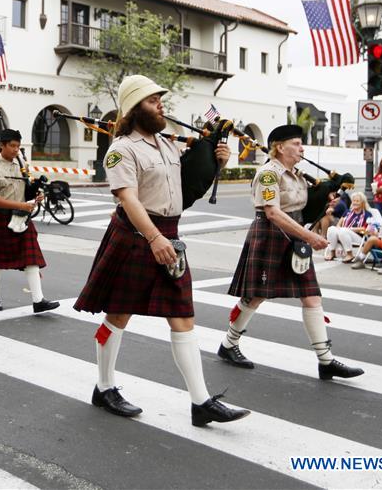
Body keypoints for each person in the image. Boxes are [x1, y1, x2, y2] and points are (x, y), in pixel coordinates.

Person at [74, 75, 250, 426]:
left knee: (183, 316)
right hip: (137, 236)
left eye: (160, 100)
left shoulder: (167, 144)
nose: (161, 105)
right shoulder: (121, 149)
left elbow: (185, 186)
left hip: (170, 234)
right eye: (154, 101)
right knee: (118, 315)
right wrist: (154, 238)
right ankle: (104, 387)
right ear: (136, 108)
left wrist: (219, 161)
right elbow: (127, 198)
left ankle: (201, 402)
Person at [218, 124, 364, 380]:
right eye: (296, 143)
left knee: (311, 296)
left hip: (294, 236)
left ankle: (325, 360)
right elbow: (273, 213)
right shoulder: (268, 174)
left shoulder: (297, 175)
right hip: (271, 234)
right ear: (279, 147)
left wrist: (328, 194)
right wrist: (310, 236)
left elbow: (303, 209)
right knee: (255, 296)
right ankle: (229, 345)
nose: (301, 148)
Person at [0, 128, 59, 314]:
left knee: (32, 259)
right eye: (12, 146)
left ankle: (38, 300)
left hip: (22, 219)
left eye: (18, 146)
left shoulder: (21, 164)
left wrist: (36, 195)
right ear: (2, 145)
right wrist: (21, 206)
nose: (16, 150)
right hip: (0, 218)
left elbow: (27, 188)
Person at [323, 191, 373, 262]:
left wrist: (351, 229)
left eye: (357, 201)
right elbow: (339, 224)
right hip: (343, 233)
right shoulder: (348, 212)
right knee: (331, 229)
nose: (355, 203)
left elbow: (366, 229)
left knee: (344, 230)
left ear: (362, 203)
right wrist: (338, 228)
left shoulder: (367, 214)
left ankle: (349, 254)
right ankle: (332, 253)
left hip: (359, 237)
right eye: (354, 201)